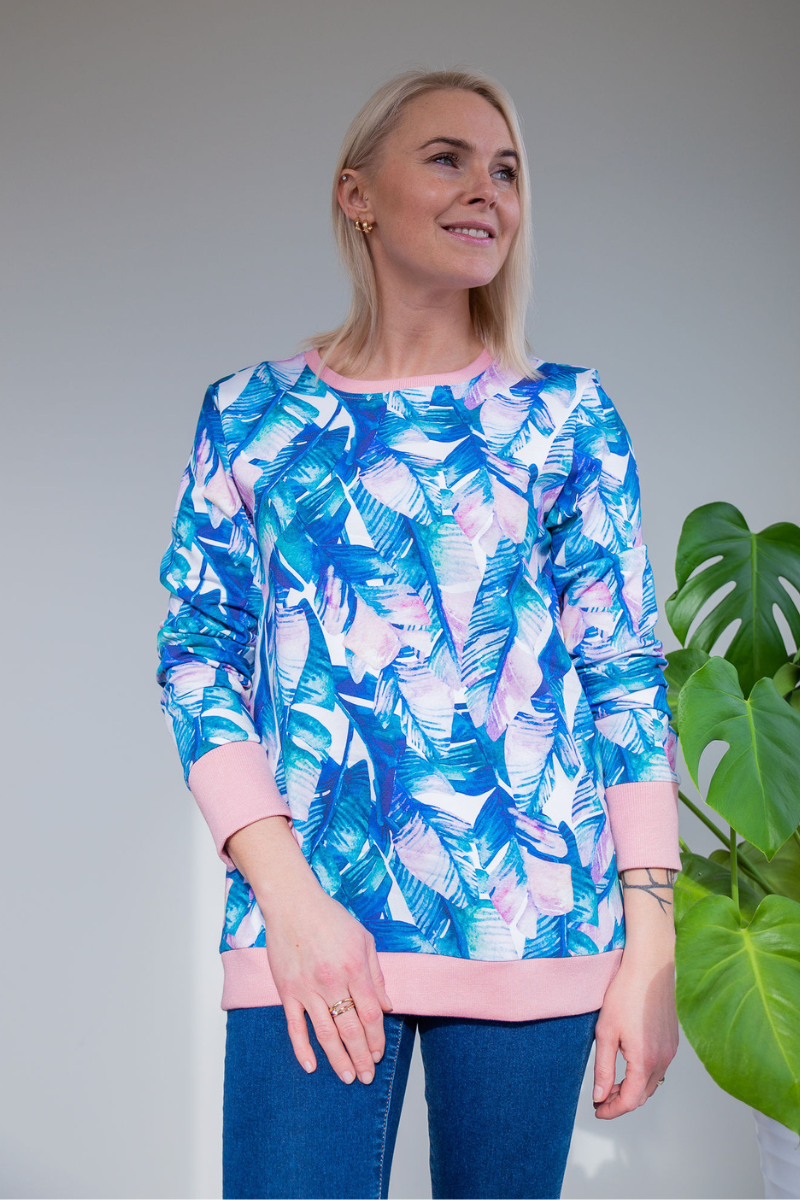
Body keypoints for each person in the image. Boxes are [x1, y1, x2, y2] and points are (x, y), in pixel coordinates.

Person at [156, 67, 681, 1200]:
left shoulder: (564, 415)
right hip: (307, 926)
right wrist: (289, 899)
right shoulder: (250, 414)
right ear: (357, 195)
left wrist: (651, 947)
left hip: (533, 928)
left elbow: (624, 675)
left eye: (506, 170)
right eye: (446, 159)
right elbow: (197, 657)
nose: (486, 189)